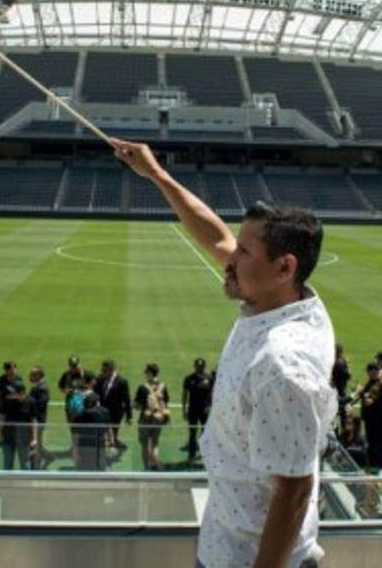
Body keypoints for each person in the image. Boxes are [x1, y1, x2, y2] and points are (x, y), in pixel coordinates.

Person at [116, 139, 335, 568]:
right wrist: (157, 175)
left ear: (284, 268)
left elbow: (294, 492)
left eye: (244, 252)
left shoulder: (281, 364)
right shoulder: (281, 297)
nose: (229, 259)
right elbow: (216, 235)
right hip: (223, 543)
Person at [134, 362, 170, 470]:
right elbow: (166, 402)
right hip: (158, 419)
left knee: (145, 445)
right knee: (155, 443)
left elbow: (137, 405)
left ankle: (146, 467)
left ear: (150, 373)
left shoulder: (142, 387)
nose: (144, 374)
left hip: (145, 419)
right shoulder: (163, 386)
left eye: (146, 372)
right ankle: (154, 465)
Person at [95, 359, 132, 451]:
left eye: (104, 371)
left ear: (112, 370)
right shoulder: (100, 379)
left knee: (113, 432)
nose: (102, 372)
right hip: (102, 412)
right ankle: (107, 448)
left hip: (116, 412)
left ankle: (112, 447)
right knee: (103, 433)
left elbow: (126, 399)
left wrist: (129, 416)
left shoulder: (122, 381)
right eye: (102, 370)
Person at [182, 357, 214, 462]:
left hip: (205, 411)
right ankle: (191, 456)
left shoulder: (209, 378)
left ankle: (206, 456)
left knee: (205, 433)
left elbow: (213, 394)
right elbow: (185, 395)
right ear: (195, 366)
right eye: (197, 367)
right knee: (192, 433)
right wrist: (184, 410)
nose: (199, 368)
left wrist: (210, 407)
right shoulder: (189, 378)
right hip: (193, 410)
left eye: (201, 367)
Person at [1, 375, 32, 470]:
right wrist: (0, 432)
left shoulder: (30, 402)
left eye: (12, 392)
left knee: (25, 464)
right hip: (8, 435)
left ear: (21, 392)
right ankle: (7, 483)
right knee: (7, 464)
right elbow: (2, 417)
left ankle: (26, 483)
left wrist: (34, 438)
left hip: (23, 437)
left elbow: (33, 420)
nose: (10, 394)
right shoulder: (7, 401)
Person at [74, 392, 111, 471]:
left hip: (85, 446)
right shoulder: (105, 412)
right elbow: (108, 430)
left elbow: (76, 434)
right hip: (101, 445)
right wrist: (110, 443)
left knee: (85, 467)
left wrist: (75, 449)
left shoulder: (81, 415)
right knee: (101, 466)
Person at [27, 366, 51, 469]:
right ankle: (48, 456)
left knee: (36, 441)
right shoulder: (38, 387)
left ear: (38, 375)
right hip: (36, 419)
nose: (30, 376)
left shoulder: (42, 388)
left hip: (38, 420)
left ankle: (37, 463)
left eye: (32, 374)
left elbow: (41, 404)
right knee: (38, 441)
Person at [58, 356, 85, 422]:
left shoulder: (86, 374)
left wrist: (82, 376)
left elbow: (93, 384)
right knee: (71, 422)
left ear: (79, 364)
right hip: (70, 402)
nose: (73, 368)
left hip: (83, 402)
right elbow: (61, 386)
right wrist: (65, 391)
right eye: (72, 366)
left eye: (75, 366)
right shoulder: (66, 375)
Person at [332, 344, 352, 430]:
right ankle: (344, 431)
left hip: (336, 388)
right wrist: (349, 366)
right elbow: (348, 376)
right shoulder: (339, 363)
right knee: (343, 413)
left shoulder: (336, 361)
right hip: (340, 390)